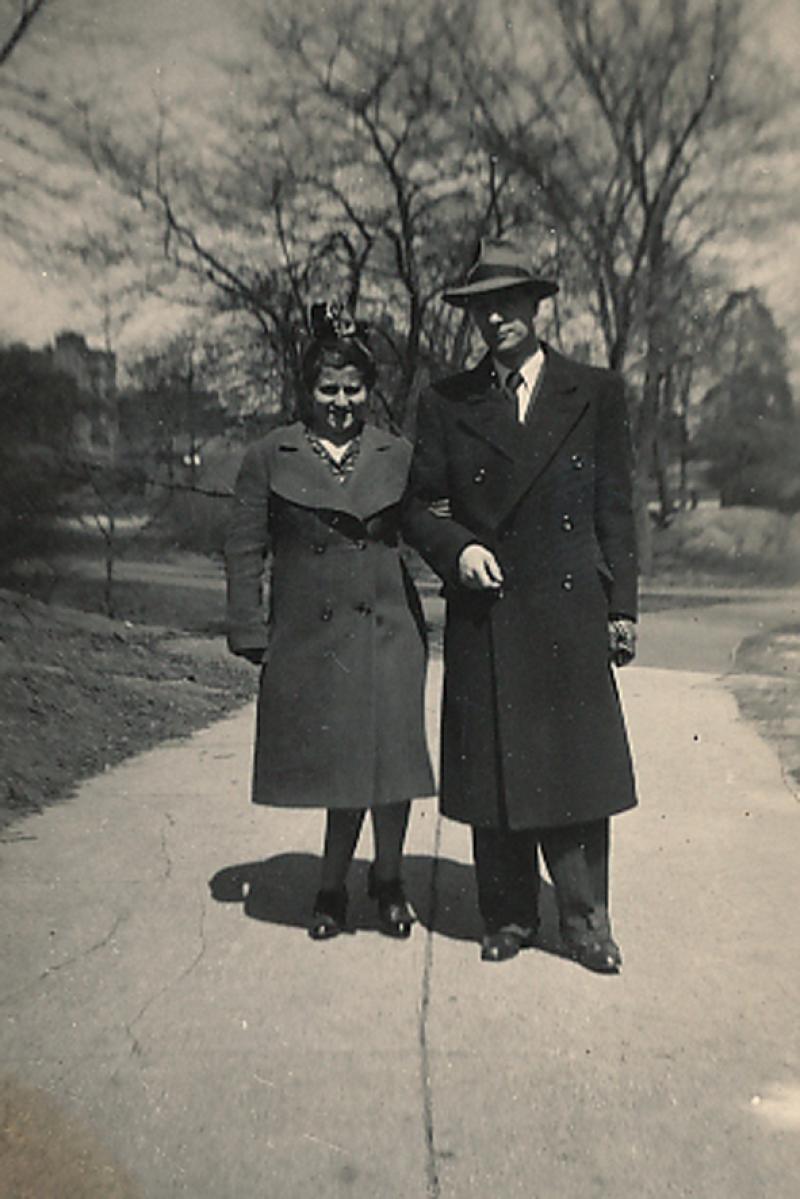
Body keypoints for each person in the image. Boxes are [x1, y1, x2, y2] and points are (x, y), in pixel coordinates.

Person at [403, 237, 638, 971]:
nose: (495, 319)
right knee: (492, 769)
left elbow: (615, 508)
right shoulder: (446, 401)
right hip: (488, 606)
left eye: (508, 303)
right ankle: (505, 915)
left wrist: (622, 607)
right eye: (481, 308)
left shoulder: (595, 391)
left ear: (538, 305)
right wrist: (457, 549)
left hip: (569, 610)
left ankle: (585, 921)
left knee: (574, 769)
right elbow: (416, 506)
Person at [225, 301, 434, 941]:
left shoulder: (398, 454)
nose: (340, 401)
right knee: (344, 762)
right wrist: (249, 628)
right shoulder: (269, 454)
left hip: (390, 628)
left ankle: (391, 880)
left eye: (353, 388)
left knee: (393, 761)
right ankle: (332, 886)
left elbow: (433, 526)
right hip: (317, 636)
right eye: (327, 389)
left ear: (370, 390)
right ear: (306, 390)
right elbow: (243, 546)